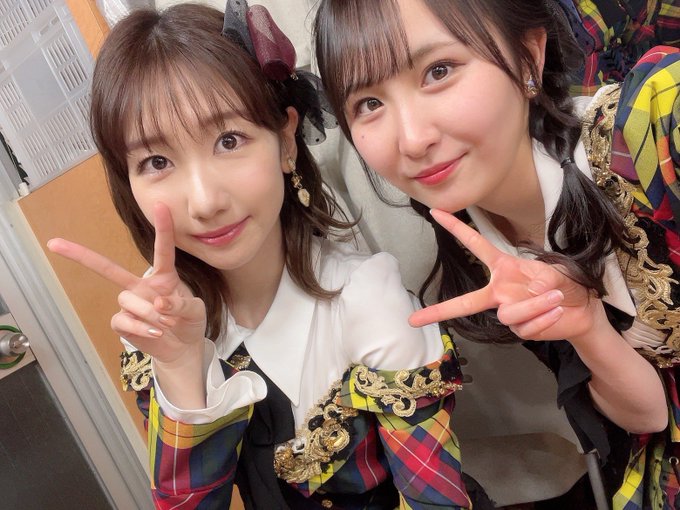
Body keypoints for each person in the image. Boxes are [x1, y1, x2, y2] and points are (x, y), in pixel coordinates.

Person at [46, 2, 479, 508]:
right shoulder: (158, 322)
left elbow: (436, 500)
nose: (205, 202)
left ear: (285, 140)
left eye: (229, 140)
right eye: (157, 161)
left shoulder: (366, 298)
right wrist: (182, 369)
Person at [313, 0, 677, 506]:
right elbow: (651, 416)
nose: (412, 140)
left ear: (529, 57)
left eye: (439, 71)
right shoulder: (485, 254)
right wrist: (587, 328)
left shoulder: (656, 124)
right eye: (369, 103)